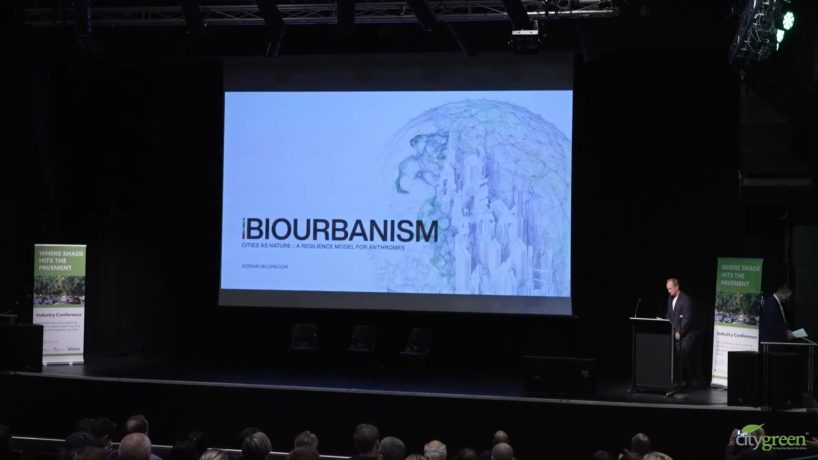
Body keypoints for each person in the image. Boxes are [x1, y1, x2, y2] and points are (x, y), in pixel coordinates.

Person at [665, 278, 698, 389]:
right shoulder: (670, 299)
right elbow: (669, 315)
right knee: (676, 355)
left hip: (687, 334)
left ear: (677, 287)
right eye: (667, 289)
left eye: (670, 289)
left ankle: (683, 381)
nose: (668, 291)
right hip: (674, 332)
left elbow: (687, 318)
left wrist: (679, 331)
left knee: (681, 354)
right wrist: (668, 326)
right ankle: (685, 380)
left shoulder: (686, 299)